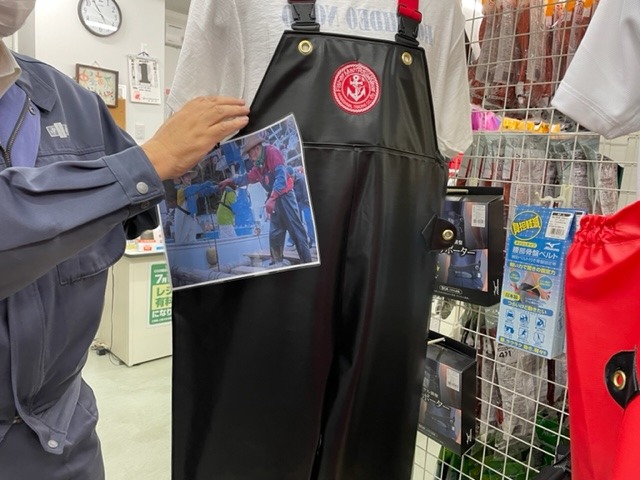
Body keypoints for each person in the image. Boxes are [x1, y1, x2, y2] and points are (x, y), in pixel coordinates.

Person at [167, 2, 471, 479]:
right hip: (266, 290)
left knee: (368, 443)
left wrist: (271, 195)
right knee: (247, 432)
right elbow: (188, 129)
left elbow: (447, 139)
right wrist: (232, 185)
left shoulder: (438, 8)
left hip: (385, 257)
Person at [0, 2, 250, 478]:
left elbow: (143, 203)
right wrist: (144, 165)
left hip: (65, 435)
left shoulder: (70, 101)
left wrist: (203, 179)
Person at [219, 133, 312, 265]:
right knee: (275, 234)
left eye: (249, 153)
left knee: (297, 232)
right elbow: (248, 177)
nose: (249, 157)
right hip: (274, 200)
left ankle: (307, 261)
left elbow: (281, 177)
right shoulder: (258, 165)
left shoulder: (272, 152)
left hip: (285, 197)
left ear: (257, 148)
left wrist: (272, 199)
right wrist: (231, 181)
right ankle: (276, 262)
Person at [286, 165, 315, 248]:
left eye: (291, 178)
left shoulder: (301, 179)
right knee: (295, 220)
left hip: (305, 201)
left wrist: (307, 203)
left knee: (308, 220)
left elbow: (305, 192)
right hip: (296, 202)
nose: (290, 179)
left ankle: (313, 240)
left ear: (293, 175)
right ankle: (293, 240)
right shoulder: (287, 181)